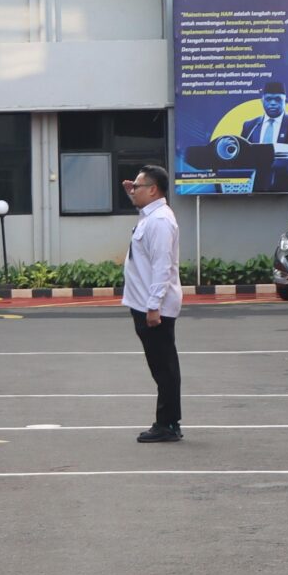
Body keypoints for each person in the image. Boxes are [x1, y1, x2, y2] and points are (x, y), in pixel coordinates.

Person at [124, 163, 183, 443]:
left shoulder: (160, 221)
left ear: (153, 189)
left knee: (164, 367)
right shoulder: (151, 215)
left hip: (153, 306)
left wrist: (153, 306)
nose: (133, 189)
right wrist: (132, 194)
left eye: (137, 186)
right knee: (160, 365)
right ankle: (167, 421)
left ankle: (168, 424)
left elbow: (162, 266)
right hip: (144, 302)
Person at [244, 81, 288, 193]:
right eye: (268, 99)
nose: (273, 103)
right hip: (255, 188)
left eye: (278, 99)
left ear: (285, 102)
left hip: (287, 187)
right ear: (262, 101)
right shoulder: (250, 125)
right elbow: (243, 154)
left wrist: (280, 168)